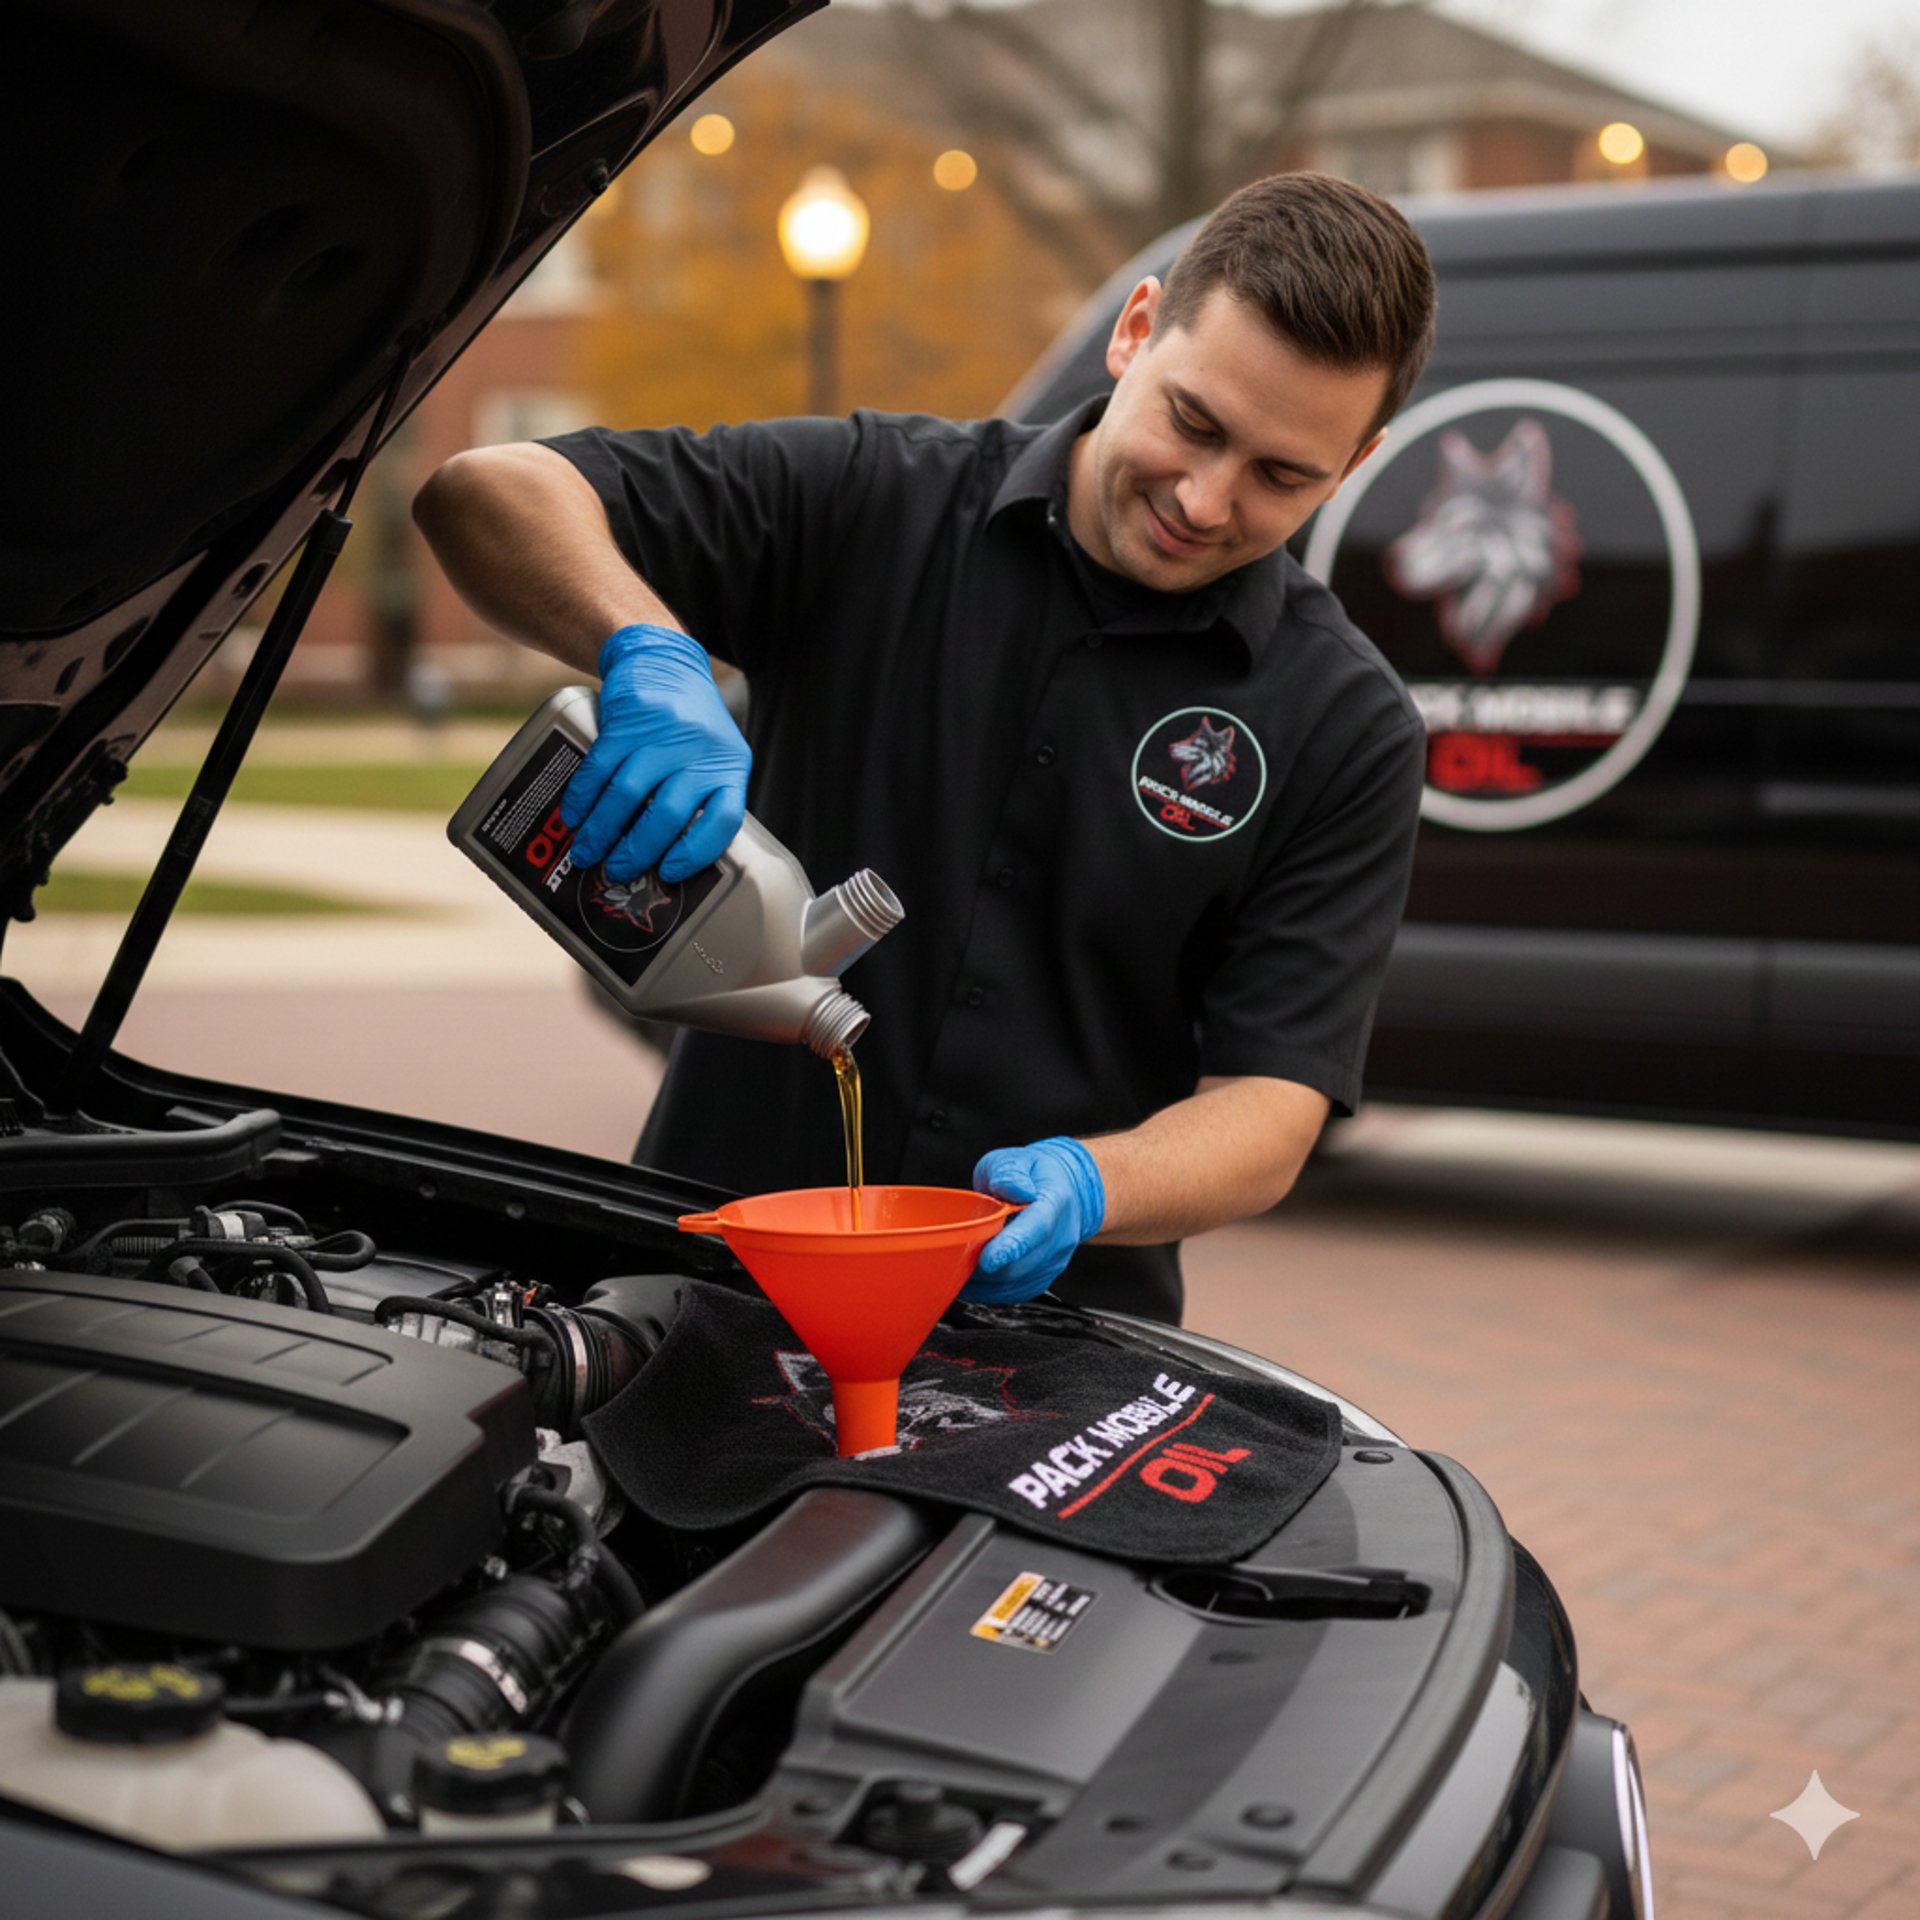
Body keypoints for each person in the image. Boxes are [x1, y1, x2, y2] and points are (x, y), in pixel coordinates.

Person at [415, 171, 1436, 1326]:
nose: (1206, 499)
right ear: (1136, 330)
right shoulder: (872, 500)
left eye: (1282, 475)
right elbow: (487, 490)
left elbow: (1271, 1106)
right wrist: (650, 649)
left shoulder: (1347, 724)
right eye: (1194, 423)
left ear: (1353, 465)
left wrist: (1095, 1183)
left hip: (1056, 1337)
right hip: (708, 1284)